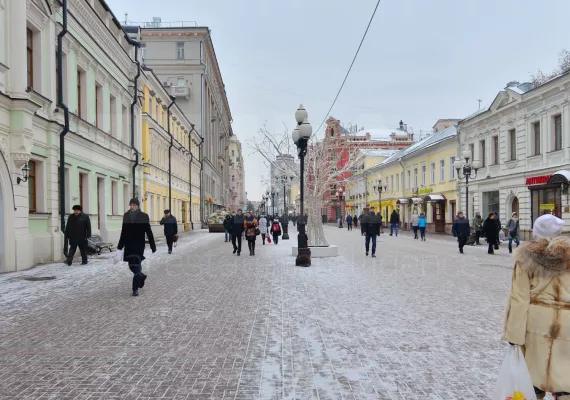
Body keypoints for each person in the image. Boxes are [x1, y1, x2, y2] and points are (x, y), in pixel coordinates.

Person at [502, 214, 570, 399]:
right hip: (567, 325)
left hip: (536, 325)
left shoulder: (526, 258)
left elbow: (519, 298)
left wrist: (514, 335)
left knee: (531, 380)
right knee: (565, 378)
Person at [117, 198, 156, 296]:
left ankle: (135, 289)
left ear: (138, 205)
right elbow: (123, 231)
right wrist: (120, 246)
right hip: (128, 244)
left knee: (136, 265)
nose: (132, 207)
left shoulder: (144, 216)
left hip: (139, 244)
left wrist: (152, 245)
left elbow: (148, 231)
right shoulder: (126, 216)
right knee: (131, 266)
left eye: (134, 205)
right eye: (131, 205)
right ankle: (141, 276)